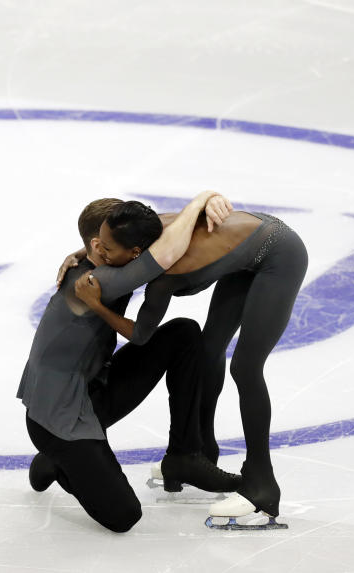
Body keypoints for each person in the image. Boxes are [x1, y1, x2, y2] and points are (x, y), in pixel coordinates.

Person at [17, 191, 240, 533]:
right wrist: (201, 200)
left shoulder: (100, 261)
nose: (99, 248)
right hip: (57, 421)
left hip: (91, 391)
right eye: (97, 243)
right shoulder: (96, 280)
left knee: (183, 334)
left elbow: (153, 235)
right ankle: (56, 461)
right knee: (124, 516)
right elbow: (165, 252)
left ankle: (184, 453)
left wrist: (82, 250)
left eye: (107, 243)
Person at [73, 206, 308, 529]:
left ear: (135, 252)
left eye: (106, 249)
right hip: (248, 251)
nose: (100, 255)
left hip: (279, 254)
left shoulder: (164, 276)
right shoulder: (145, 234)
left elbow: (141, 335)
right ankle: (196, 456)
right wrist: (76, 253)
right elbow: (113, 244)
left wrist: (96, 305)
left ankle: (262, 486)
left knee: (245, 366)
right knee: (208, 350)